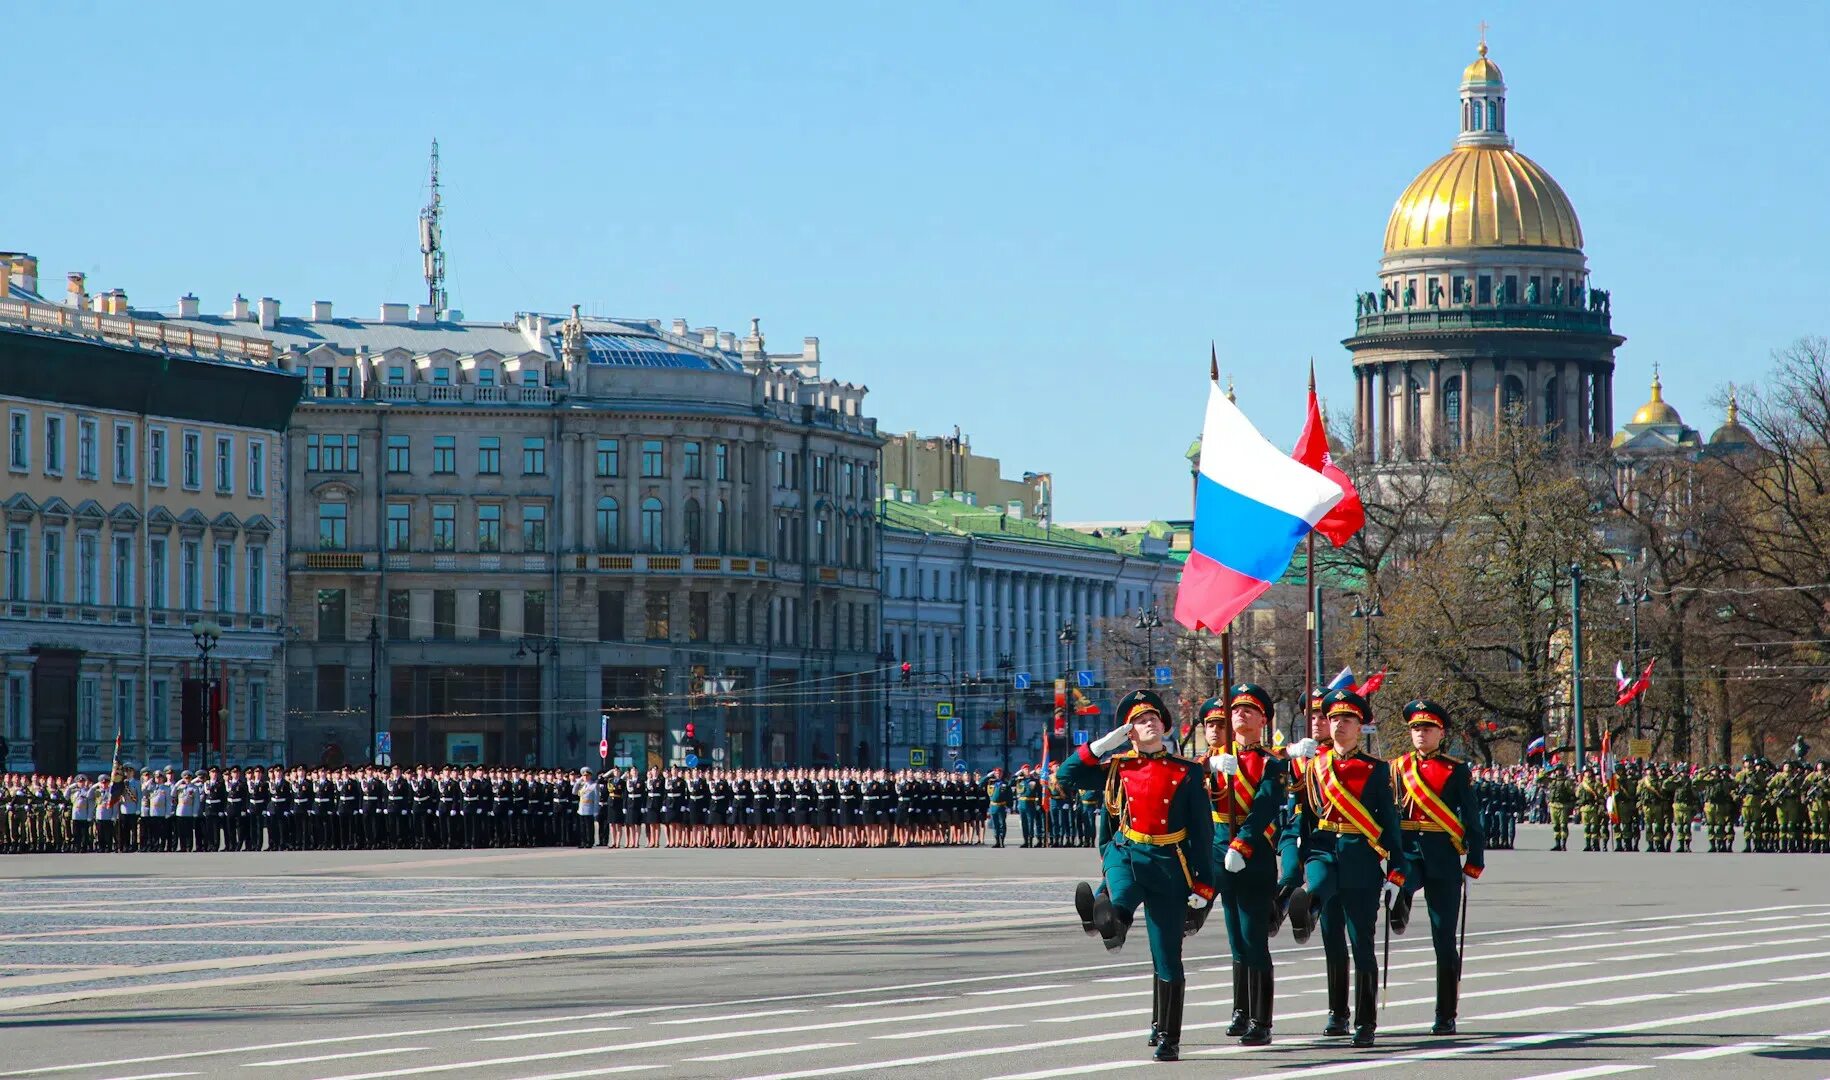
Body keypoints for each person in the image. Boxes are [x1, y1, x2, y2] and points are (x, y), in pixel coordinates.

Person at [1056, 689, 1216, 1062]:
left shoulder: (1187, 771)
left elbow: (1202, 832)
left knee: (1167, 955)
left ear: (1164, 726)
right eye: (1140, 720)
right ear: (1129, 732)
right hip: (1127, 852)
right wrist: (1102, 745)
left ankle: (1168, 1035)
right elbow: (1068, 775)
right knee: (1121, 896)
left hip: (1169, 862)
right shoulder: (1118, 766)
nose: (1148, 723)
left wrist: (1203, 884)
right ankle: (1108, 918)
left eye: (1154, 718)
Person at [1285, 689, 1407, 1048]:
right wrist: (1296, 854)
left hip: (1361, 860)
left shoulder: (1376, 768)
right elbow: (1304, 816)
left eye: (1347, 719)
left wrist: (1396, 872)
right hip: (1324, 851)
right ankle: (1337, 1012)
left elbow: (1390, 823)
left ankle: (1364, 1021)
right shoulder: (1313, 766)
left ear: (1361, 726)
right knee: (1331, 939)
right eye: (1334, 719)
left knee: (1361, 945)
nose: (1339, 724)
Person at [1200, 684, 1291, 1047]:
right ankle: (1240, 1009)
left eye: (1250, 710)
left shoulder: (1271, 762)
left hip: (1253, 854)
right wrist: (1209, 766)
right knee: (1235, 938)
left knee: (1254, 938)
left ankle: (1261, 1019)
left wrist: (1242, 843)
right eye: (1236, 709)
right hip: (1218, 852)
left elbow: (1266, 807)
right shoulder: (1214, 758)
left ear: (1263, 720)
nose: (1240, 714)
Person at [1386, 700, 1483, 1035]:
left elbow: (1471, 817)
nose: (1420, 734)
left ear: (1440, 733)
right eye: (1415, 728)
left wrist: (1474, 862)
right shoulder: (1397, 768)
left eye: (1427, 728)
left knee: (1444, 939)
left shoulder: (1456, 769)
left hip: (1443, 855)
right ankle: (1401, 906)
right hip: (1409, 852)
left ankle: (1446, 1013)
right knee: (1402, 886)